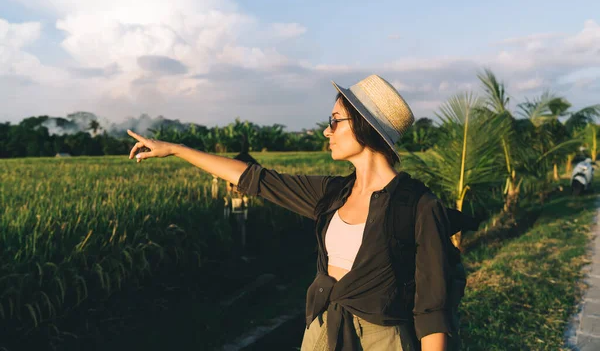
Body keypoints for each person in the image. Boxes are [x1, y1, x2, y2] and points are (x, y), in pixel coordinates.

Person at [127, 74, 455, 351]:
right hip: (322, 332)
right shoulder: (332, 192)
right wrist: (175, 149)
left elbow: (432, 308)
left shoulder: (420, 206)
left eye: (334, 121)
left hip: (381, 341)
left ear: (364, 126)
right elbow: (257, 179)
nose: (326, 131)